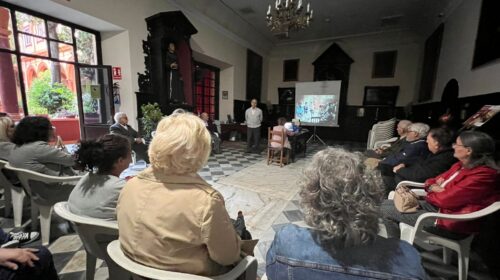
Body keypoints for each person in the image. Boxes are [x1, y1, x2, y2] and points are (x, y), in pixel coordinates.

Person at [266, 148, 427, 279]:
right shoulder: (407, 259)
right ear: (373, 195)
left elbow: (272, 272)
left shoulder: (287, 241)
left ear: (311, 199)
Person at [117, 113, 242, 276]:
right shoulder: (206, 201)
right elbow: (227, 257)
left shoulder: (130, 186)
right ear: (200, 151)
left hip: (137, 272)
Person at [381, 131, 500, 238]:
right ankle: (397, 245)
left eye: (457, 145)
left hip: (450, 222)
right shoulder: (459, 165)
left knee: (385, 210)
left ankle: (396, 250)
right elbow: (431, 181)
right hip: (438, 209)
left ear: (469, 150)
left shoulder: (483, 175)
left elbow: (445, 200)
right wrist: (435, 188)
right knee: (385, 204)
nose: (453, 147)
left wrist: (435, 192)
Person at [68, 134, 131, 220]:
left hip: (81, 230)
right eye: (130, 155)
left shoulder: (86, 178)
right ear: (120, 161)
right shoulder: (119, 186)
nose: (131, 160)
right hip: (109, 231)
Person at [382, 127, 457, 193]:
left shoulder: (444, 159)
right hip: (405, 177)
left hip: (409, 185)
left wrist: (399, 170)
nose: (426, 142)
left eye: (428, 140)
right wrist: (405, 164)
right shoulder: (437, 154)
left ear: (436, 143)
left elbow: (420, 176)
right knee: (382, 169)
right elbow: (419, 161)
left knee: (380, 180)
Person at [9, 116, 75, 176]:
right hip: (58, 186)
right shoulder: (39, 148)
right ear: (41, 132)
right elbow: (72, 161)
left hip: (32, 187)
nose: (52, 130)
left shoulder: (16, 147)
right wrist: (64, 148)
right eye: (50, 128)